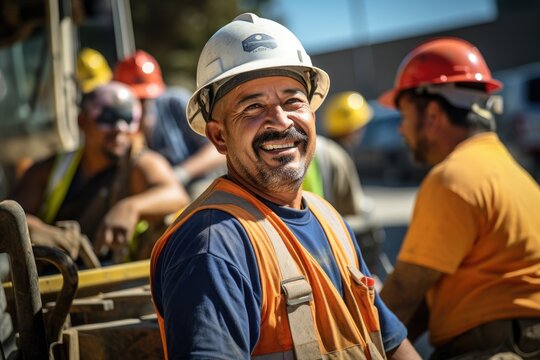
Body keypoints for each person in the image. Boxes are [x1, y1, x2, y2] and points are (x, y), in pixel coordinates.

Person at [150, 13, 419, 359]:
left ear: (312, 114)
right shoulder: (212, 246)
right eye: (253, 107)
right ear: (219, 136)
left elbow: (390, 342)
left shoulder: (330, 220)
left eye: (293, 101)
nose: (280, 121)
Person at [378, 37, 540, 359]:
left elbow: (403, 295)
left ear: (434, 115)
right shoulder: (513, 172)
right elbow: (424, 302)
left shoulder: (452, 178)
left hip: (494, 347)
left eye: (404, 116)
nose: (401, 130)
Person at [10, 81, 189, 264]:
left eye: (127, 118)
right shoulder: (49, 170)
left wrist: (130, 208)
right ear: (82, 121)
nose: (120, 128)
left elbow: (176, 194)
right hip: (53, 278)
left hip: (115, 278)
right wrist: (34, 228)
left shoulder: (139, 163)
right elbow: (7, 216)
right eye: (108, 118)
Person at [113, 50, 226, 198]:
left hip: (199, 182)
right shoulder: (118, 123)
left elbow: (217, 150)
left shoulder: (175, 103)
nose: (142, 104)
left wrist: (181, 173)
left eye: (145, 99)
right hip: (158, 191)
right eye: (136, 99)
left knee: (199, 202)